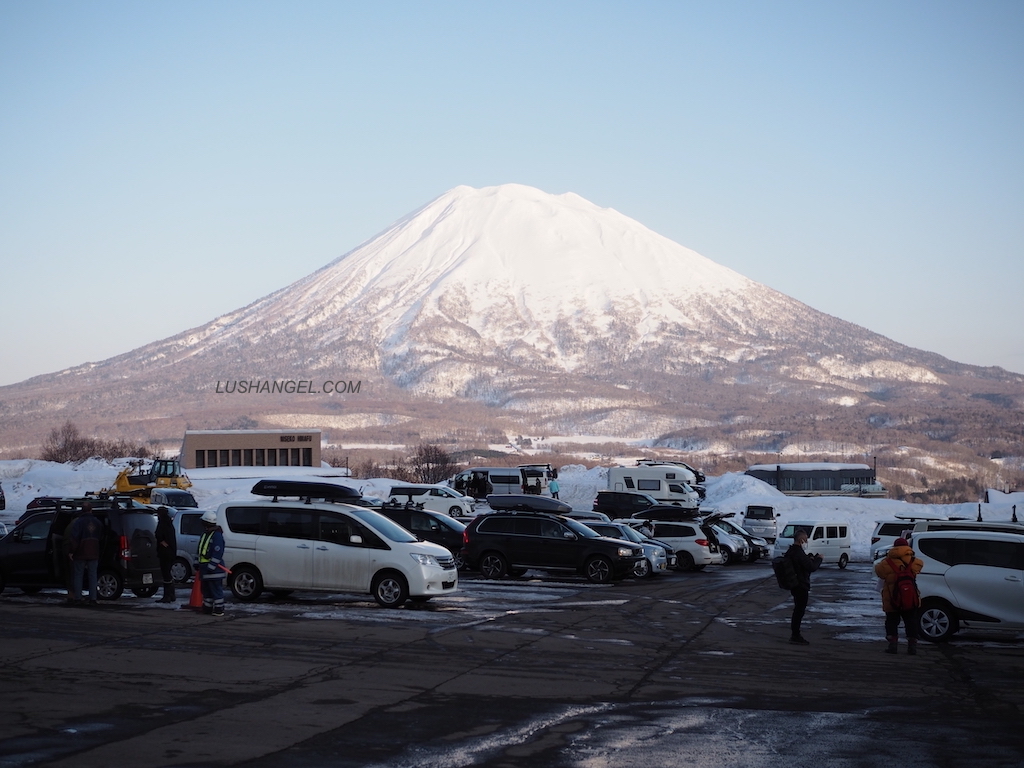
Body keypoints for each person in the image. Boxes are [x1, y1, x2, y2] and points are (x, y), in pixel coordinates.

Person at [874, 537, 924, 655]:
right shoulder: (914, 561)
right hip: (910, 597)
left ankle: (893, 645)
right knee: (911, 621)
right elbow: (920, 565)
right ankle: (912, 647)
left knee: (891, 621)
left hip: (892, 597)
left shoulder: (887, 563)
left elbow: (879, 571)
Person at [785, 529, 822, 645]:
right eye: (806, 540)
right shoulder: (798, 553)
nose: (806, 542)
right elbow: (811, 567)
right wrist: (819, 559)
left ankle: (795, 634)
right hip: (801, 585)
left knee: (798, 609)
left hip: (794, 584)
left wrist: (810, 559)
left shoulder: (791, 551)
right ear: (801, 540)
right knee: (799, 610)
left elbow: (804, 563)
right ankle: (795, 635)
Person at [69, 502, 103, 606]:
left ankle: (78, 598)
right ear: (91, 510)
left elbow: (74, 539)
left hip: (80, 553)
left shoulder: (78, 523)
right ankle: (93, 598)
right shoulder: (98, 522)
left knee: (78, 575)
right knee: (93, 575)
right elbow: (101, 537)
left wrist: (71, 551)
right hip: (94, 552)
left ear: (82, 510)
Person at [197, 510, 226, 616]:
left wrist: (211, 566)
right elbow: (200, 550)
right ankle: (207, 608)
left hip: (214, 570)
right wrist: (197, 563)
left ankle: (219, 609)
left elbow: (218, 552)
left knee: (215, 590)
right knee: (206, 590)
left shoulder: (217, 535)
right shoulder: (205, 534)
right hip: (205, 569)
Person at [155, 506, 177, 603]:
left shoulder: (162, 524)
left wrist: (161, 541)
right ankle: (171, 594)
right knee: (169, 573)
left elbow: (158, 534)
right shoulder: (169, 523)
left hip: (165, 552)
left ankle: (167, 596)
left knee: (166, 574)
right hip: (171, 552)